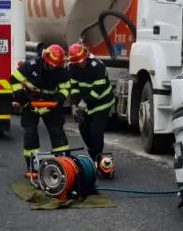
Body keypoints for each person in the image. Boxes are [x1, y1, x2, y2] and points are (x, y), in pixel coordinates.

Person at [10, 43, 73, 175]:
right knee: (30, 134)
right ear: (45, 60)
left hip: (51, 105)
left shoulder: (61, 70)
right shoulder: (31, 65)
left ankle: (64, 164)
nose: (53, 68)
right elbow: (14, 79)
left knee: (58, 134)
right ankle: (33, 166)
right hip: (31, 104)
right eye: (52, 65)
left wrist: (59, 100)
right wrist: (21, 96)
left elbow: (66, 88)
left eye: (57, 65)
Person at [66, 43, 114, 161]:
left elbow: (98, 89)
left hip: (102, 103)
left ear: (86, 57)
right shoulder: (72, 67)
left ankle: (99, 157)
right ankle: (94, 154)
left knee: (95, 131)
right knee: (84, 130)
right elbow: (74, 87)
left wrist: (84, 103)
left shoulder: (97, 66)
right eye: (76, 62)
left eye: (81, 61)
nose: (79, 64)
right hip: (86, 103)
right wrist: (75, 105)